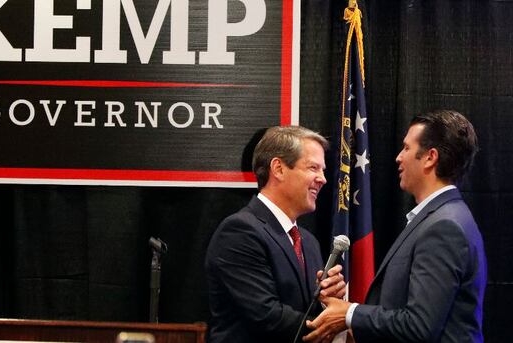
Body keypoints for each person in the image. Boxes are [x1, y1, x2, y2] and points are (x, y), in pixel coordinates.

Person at [305, 110, 487, 343]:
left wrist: (349, 313)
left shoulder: (444, 226)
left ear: (430, 157)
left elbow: (419, 326)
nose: (399, 157)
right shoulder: (441, 217)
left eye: (407, 148)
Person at [205, 126, 346, 343]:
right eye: (313, 168)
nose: (323, 179)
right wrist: (337, 327)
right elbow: (267, 316)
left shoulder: (308, 242)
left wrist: (329, 301)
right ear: (278, 169)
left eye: (323, 170)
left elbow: (305, 310)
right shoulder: (239, 232)